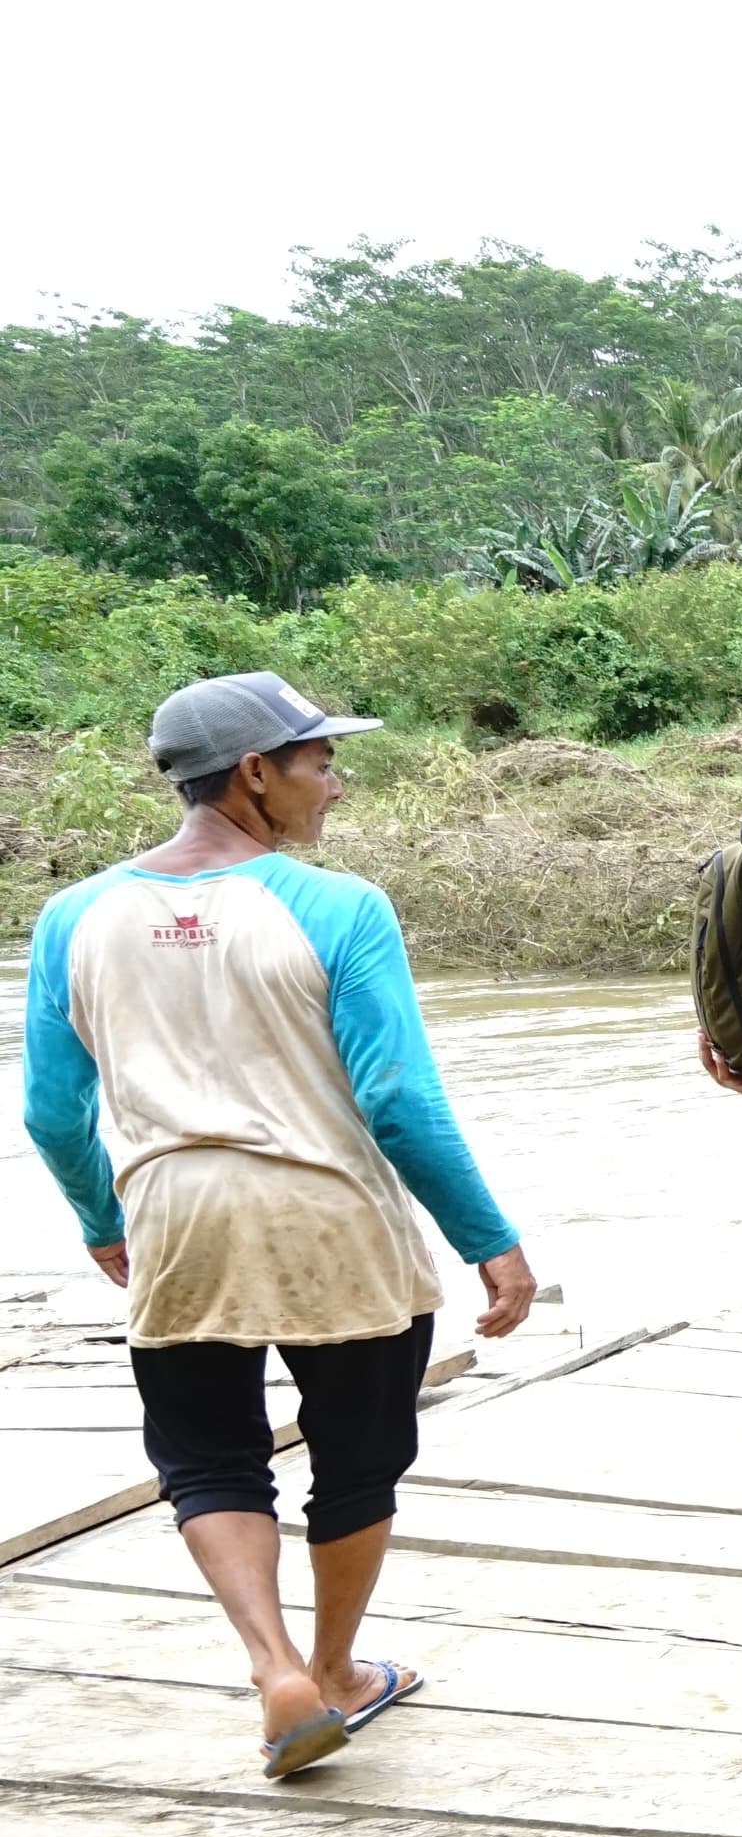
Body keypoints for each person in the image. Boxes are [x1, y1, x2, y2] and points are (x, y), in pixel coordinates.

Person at [22, 672, 538, 1775]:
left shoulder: (73, 918)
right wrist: (489, 1237)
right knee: (357, 1456)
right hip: (331, 1218)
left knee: (207, 1457)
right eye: (317, 763)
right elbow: (396, 1098)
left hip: (177, 1217)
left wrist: (101, 1214)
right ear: (254, 773)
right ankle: (339, 1669)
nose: (334, 785)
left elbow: (50, 1109)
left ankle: (272, 1669)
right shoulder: (340, 907)